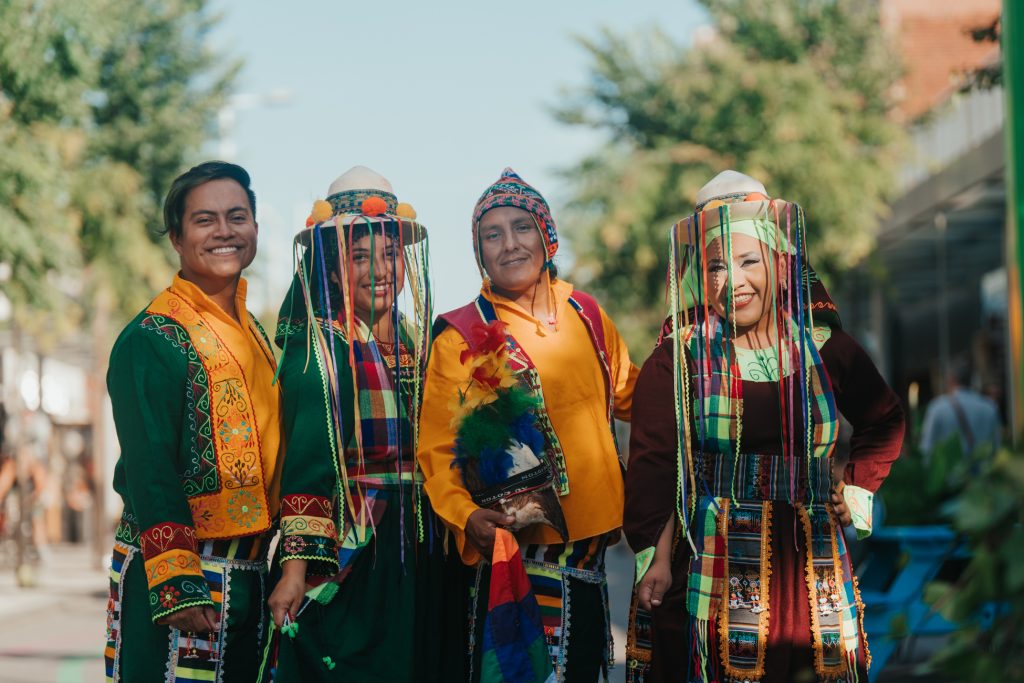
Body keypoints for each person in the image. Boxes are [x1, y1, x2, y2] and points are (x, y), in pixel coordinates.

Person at [623, 171, 905, 683]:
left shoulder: (825, 347)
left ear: (779, 262)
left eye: (749, 261)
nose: (734, 281)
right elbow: (655, 463)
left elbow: (883, 418)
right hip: (715, 557)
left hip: (813, 561)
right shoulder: (679, 358)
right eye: (716, 267)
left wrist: (858, 488)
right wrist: (656, 559)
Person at [418, 167, 639, 682]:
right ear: (479, 252)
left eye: (522, 227)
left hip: (589, 557)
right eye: (491, 235)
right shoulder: (463, 335)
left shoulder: (586, 312)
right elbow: (436, 450)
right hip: (515, 557)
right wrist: (463, 514)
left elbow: (632, 395)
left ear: (547, 235)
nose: (509, 244)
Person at [265, 166, 461, 682]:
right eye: (358, 256)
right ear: (330, 270)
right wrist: (293, 572)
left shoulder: (421, 345)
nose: (380, 269)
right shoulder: (323, 351)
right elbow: (307, 467)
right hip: (357, 551)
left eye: (390, 254)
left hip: (421, 550)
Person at [103, 161, 282, 682]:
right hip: (184, 575)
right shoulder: (152, 338)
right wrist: (177, 582)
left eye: (237, 216)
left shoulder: (257, 337)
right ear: (177, 238)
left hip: (250, 570)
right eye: (205, 220)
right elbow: (149, 465)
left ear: (254, 228)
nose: (224, 231)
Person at [919, 359, 1001, 459]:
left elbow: (926, 450)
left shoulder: (937, 408)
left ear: (951, 379)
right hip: (983, 473)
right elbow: (997, 448)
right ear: (972, 380)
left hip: (948, 474)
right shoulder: (990, 408)